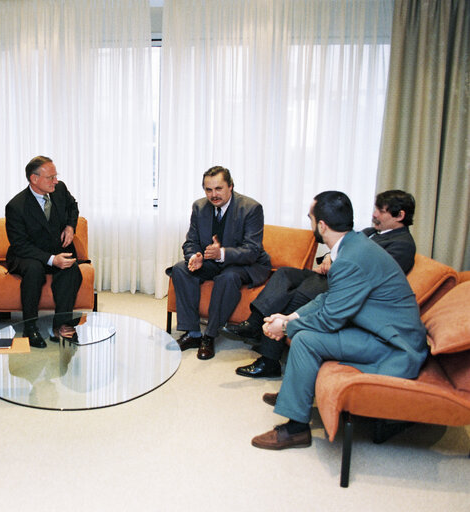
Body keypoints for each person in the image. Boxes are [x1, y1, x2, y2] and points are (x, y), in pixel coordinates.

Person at [251, 191, 427, 450]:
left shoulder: (351, 258)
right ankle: (296, 396)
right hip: (378, 331)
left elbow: (330, 318)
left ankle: (296, 429)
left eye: (311, 218)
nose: (310, 223)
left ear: (321, 226)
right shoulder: (353, 245)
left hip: (393, 345)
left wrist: (285, 326)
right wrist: (291, 315)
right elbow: (330, 299)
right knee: (302, 331)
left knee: (305, 340)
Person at [223, 189, 417, 378]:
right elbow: (341, 247)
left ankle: (269, 360)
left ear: (399, 215)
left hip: (343, 287)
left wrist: (335, 265)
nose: (374, 214)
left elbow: (368, 276)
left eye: (381, 211)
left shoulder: (402, 244)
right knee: (284, 274)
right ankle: (254, 322)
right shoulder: (371, 232)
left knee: (295, 298)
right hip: (327, 276)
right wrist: (327, 258)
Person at [169, 166, 271, 360]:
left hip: (245, 263)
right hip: (211, 260)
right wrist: (195, 256)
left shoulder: (251, 208)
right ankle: (193, 333)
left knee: (228, 277)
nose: (213, 195)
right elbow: (190, 241)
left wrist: (221, 253)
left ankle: (210, 335)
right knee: (180, 269)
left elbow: (252, 250)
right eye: (208, 190)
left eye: (218, 188)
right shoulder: (199, 207)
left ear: (230, 186)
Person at [5, 156, 82, 348]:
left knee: (71, 270)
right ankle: (29, 327)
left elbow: (73, 207)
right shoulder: (16, 206)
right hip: (28, 253)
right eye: (51, 177)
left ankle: (62, 325)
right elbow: (20, 244)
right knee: (34, 270)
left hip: (55, 247)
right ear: (34, 179)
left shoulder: (60, 189)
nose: (55, 181)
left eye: (56, 176)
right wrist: (51, 260)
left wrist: (70, 227)